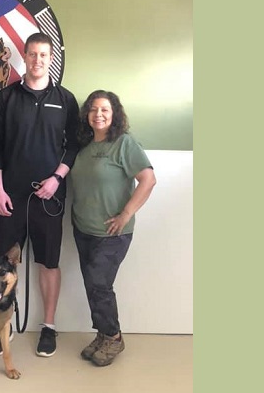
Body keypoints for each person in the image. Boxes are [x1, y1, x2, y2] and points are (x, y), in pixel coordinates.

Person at [0, 32, 80, 357]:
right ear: (23, 57)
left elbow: (73, 146)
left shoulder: (65, 99)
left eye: (43, 55)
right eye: (32, 54)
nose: (37, 60)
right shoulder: (6, 98)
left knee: (48, 263)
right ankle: (2, 328)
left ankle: (49, 327)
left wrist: (57, 178)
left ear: (50, 58)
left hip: (49, 198)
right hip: (9, 197)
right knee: (3, 265)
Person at [69, 90, 157, 366]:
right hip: (83, 228)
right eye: (94, 110)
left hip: (112, 233)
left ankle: (113, 336)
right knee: (94, 285)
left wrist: (125, 214)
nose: (98, 115)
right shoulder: (83, 145)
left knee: (99, 284)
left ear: (114, 113)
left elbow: (148, 179)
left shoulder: (124, 143)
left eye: (105, 110)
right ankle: (103, 334)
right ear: (87, 115)